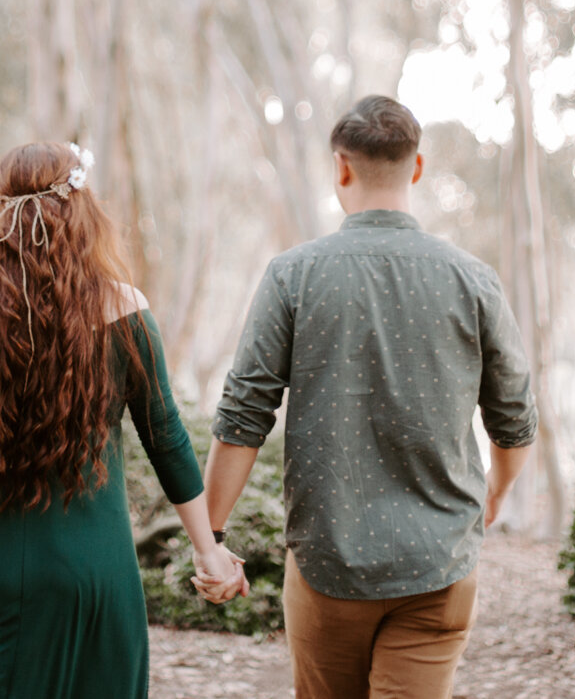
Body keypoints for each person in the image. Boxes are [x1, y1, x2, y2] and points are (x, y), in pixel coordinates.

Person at [0, 141, 244, 698]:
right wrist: (207, 549)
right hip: (89, 581)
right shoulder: (126, 308)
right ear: (83, 213)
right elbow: (165, 439)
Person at [202, 95, 538, 699]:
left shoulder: (292, 274)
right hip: (440, 565)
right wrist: (496, 492)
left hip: (329, 563)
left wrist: (214, 539)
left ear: (341, 167)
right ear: (416, 168)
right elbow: (514, 420)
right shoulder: (473, 279)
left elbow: (242, 417)